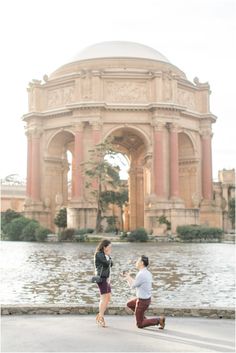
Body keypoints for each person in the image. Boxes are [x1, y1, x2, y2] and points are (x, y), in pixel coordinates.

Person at [122, 255, 165, 329]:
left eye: (138, 260)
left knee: (140, 324)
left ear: (141, 263)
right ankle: (143, 318)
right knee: (129, 304)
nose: (136, 262)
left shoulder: (141, 274)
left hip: (142, 302)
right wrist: (128, 277)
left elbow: (132, 286)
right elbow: (135, 283)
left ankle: (159, 320)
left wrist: (128, 277)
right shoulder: (146, 272)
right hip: (145, 300)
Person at [94, 239, 113, 327]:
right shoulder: (99, 254)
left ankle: (99, 315)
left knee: (108, 297)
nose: (110, 249)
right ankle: (101, 316)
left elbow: (111, 263)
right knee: (104, 297)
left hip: (107, 279)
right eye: (109, 247)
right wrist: (108, 256)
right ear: (104, 247)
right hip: (101, 278)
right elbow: (106, 263)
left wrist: (108, 256)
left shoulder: (106, 255)